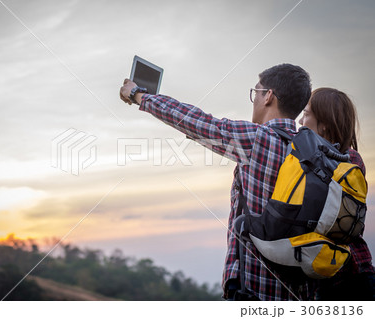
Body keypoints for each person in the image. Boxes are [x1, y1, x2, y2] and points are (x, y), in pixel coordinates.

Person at [120, 63, 316, 300]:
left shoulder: (260, 139)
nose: (253, 100)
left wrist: (139, 95)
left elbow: (196, 122)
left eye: (256, 92)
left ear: (269, 97)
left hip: (254, 287)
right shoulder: (312, 150)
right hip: (298, 290)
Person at [299, 87, 375, 300]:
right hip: (339, 275)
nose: (299, 122)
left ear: (323, 126)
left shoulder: (347, 160)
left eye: (305, 114)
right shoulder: (346, 159)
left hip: (348, 278)